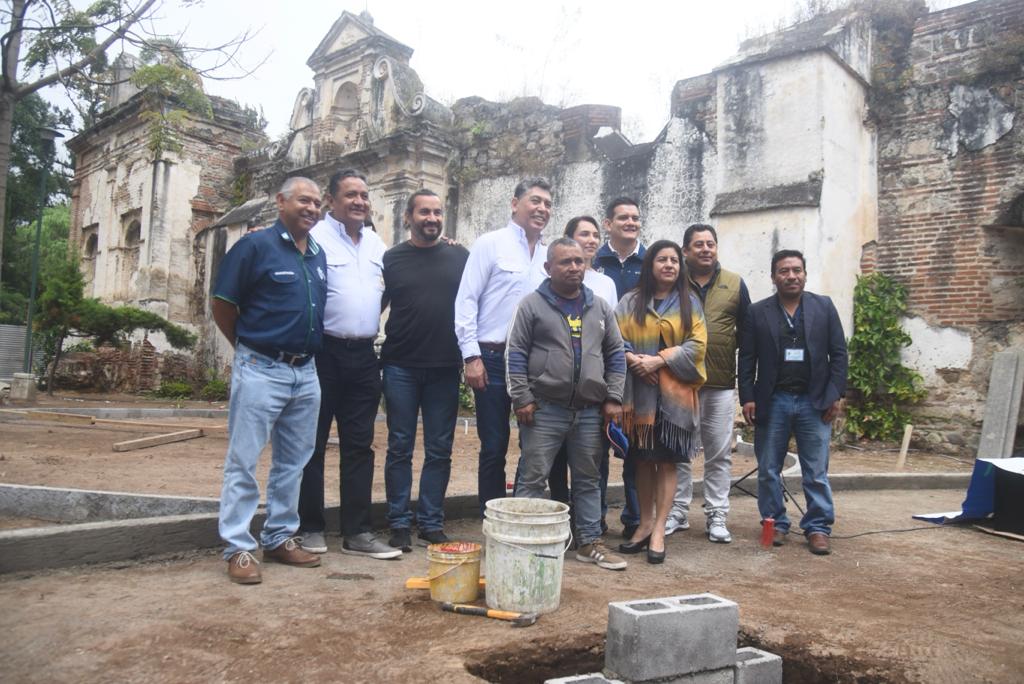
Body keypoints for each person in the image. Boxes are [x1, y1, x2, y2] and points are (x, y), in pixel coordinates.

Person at [211, 176, 327, 584]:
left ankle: (280, 537)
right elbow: (223, 304)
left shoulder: (317, 254)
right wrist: (247, 348)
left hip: (306, 372)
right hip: (261, 367)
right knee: (244, 460)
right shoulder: (254, 246)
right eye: (303, 201)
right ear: (281, 202)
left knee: (294, 462)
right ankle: (239, 548)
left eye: (317, 203)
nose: (312, 208)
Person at [297, 169, 400, 560]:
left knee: (360, 446)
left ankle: (357, 532)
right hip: (322, 353)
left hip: (363, 357)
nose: (359, 201)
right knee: (312, 444)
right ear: (331, 200)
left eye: (364, 195)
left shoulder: (376, 244)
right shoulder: (315, 238)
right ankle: (309, 527)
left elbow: (384, 293)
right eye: (351, 195)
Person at [507, 238, 627, 570]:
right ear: (548, 268)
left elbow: (615, 354)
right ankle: (521, 544)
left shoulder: (600, 307)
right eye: (565, 262)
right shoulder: (531, 305)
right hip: (544, 409)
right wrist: (522, 398)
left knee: (588, 479)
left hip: (589, 410)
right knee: (533, 477)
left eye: (578, 261)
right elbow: (515, 354)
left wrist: (614, 397)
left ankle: (589, 543)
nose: (574, 267)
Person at [738, 249, 847, 556]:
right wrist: (747, 396)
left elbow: (839, 354)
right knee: (769, 468)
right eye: (784, 271)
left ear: (805, 274)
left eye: (796, 270)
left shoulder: (823, 307)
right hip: (773, 401)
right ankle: (775, 524)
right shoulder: (758, 312)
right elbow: (746, 359)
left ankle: (818, 527)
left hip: (815, 402)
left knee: (815, 470)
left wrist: (835, 393)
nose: (791, 276)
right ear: (774, 277)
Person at [454, 177, 551, 516]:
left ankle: (522, 511)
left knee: (533, 443)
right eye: (535, 201)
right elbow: (466, 300)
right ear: (515, 203)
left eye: (548, 204)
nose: (541, 209)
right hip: (492, 358)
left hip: (534, 364)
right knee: (493, 445)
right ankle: (491, 515)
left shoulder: (549, 257)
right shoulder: (489, 244)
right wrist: (471, 356)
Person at [381, 189, 469, 551]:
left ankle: (431, 522)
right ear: (408, 217)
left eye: (437, 212)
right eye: (424, 212)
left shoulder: (460, 256)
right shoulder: (390, 259)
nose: (431, 218)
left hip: (445, 367)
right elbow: (373, 303)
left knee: (439, 449)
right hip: (400, 364)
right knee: (399, 446)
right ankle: (399, 524)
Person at [614, 240, 707, 564]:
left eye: (674, 261)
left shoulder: (689, 303)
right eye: (662, 260)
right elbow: (615, 337)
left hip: (674, 396)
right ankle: (644, 523)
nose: (669, 265)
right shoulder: (630, 301)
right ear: (650, 264)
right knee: (641, 460)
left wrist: (660, 361)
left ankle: (659, 531)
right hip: (639, 395)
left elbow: (697, 345)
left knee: (667, 462)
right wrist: (633, 359)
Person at [666, 224, 751, 544]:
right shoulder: (673, 281)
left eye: (710, 244)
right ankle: (678, 510)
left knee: (718, 454)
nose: (705, 249)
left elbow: (747, 335)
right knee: (679, 452)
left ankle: (717, 514)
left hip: (719, 383)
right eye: (698, 244)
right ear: (685, 250)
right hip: (680, 382)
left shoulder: (734, 283)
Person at [542, 216, 617, 513]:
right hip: (552, 398)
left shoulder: (604, 288)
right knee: (550, 464)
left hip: (590, 395)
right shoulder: (543, 294)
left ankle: (591, 526)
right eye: (583, 234)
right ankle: (558, 520)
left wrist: (612, 392)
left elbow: (611, 343)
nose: (591, 240)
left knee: (591, 467)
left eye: (595, 234)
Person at [594, 197, 647, 539]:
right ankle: (594, 520)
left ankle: (635, 520)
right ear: (608, 223)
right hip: (600, 368)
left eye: (635, 218)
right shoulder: (593, 261)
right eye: (623, 217)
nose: (630, 222)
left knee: (638, 450)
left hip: (643, 370)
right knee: (596, 450)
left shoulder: (652, 261)